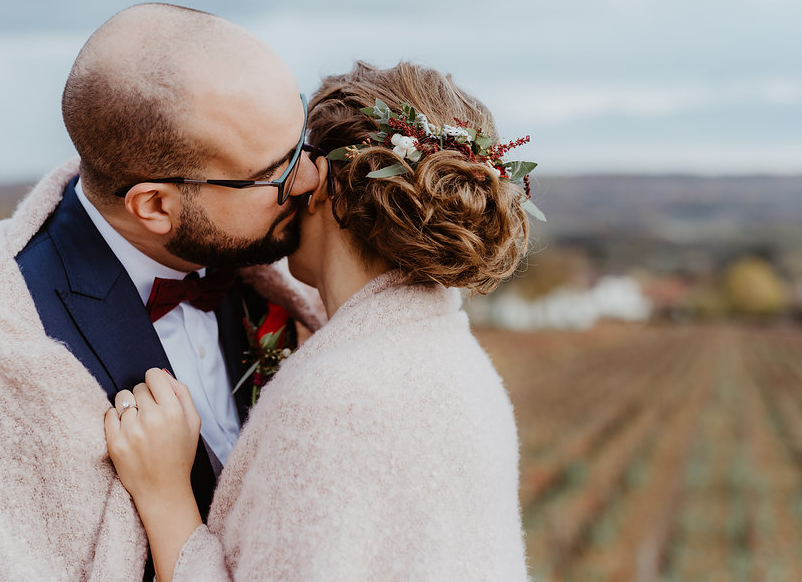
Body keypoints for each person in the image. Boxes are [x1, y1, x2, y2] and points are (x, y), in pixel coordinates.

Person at [0, 3, 325, 581]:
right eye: (274, 172)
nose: (309, 178)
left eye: (302, 133)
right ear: (155, 205)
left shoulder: (281, 286)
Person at [104, 61, 531, 581]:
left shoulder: (336, 397)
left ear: (321, 182)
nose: (288, 181)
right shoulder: (459, 364)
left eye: (293, 162)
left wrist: (165, 494)